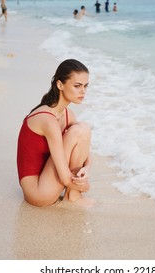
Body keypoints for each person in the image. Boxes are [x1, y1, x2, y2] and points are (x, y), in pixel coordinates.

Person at [16, 59, 93, 207]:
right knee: (80, 129)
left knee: (81, 129)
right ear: (60, 85)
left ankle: (73, 195)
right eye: (77, 86)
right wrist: (85, 187)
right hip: (38, 193)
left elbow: (85, 150)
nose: (83, 91)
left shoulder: (67, 113)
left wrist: (87, 168)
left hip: (49, 182)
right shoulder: (47, 120)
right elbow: (64, 179)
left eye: (85, 86)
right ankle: (74, 195)